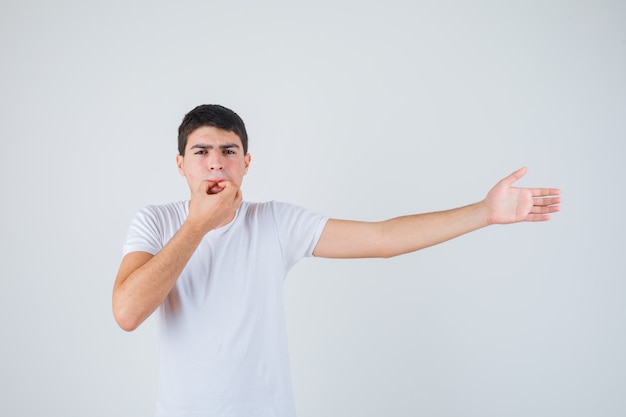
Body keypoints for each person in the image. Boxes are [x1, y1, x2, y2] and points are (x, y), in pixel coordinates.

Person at [113, 104, 561, 417]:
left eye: (228, 151)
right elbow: (128, 312)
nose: (215, 163)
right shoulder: (157, 221)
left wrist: (485, 212)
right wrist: (197, 225)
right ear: (180, 164)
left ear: (246, 163)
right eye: (201, 151)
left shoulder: (273, 222)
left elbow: (383, 237)